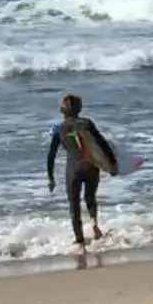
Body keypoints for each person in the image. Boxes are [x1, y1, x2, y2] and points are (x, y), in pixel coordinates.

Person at [46, 93, 118, 248]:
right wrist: (112, 163)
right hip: (91, 165)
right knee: (90, 197)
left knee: (74, 205)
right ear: (80, 109)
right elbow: (102, 143)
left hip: (73, 169)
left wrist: (50, 176)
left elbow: (51, 155)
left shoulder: (59, 129)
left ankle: (80, 240)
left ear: (62, 110)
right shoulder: (87, 123)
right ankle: (94, 223)